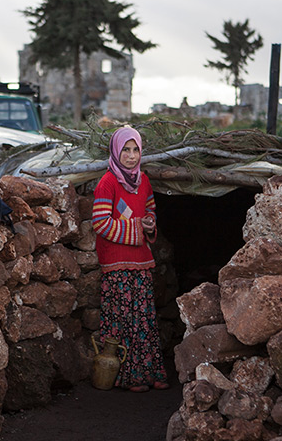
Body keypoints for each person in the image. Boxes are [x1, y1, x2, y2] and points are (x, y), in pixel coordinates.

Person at [92, 126, 169, 393]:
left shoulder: (143, 181)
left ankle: (152, 372)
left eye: (135, 150)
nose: (131, 156)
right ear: (116, 151)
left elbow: (150, 210)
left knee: (145, 318)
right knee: (124, 320)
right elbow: (101, 223)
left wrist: (149, 224)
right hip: (116, 264)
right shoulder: (108, 182)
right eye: (126, 150)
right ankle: (129, 377)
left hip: (141, 261)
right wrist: (137, 229)